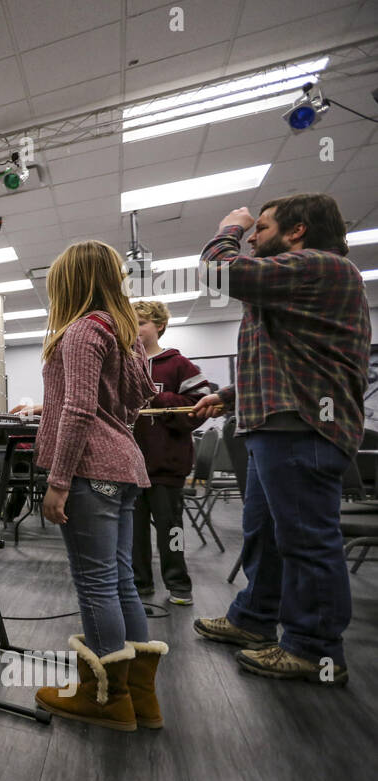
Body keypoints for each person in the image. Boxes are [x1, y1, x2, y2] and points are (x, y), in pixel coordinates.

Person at [191, 194, 370, 686]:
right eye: (250, 228)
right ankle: (253, 618)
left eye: (261, 227)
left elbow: (219, 271)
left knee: (307, 542)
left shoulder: (320, 266)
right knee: (266, 536)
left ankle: (314, 649)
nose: (252, 235)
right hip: (277, 422)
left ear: (297, 231)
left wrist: (227, 226)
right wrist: (230, 394)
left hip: (302, 426)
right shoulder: (300, 280)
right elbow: (288, 355)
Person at [31, 240, 167, 732]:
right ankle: (140, 700)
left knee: (94, 585)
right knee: (120, 580)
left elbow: (81, 410)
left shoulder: (82, 330)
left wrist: (58, 481)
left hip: (91, 472)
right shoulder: (123, 334)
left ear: (68, 284)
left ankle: (106, 699)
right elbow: (122, 409)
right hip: (125, 468)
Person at [131, 299, 213, 606]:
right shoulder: (125, 363)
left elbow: (201, 406)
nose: (135, 329)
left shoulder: (179, 364)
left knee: (170, 529)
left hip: (167, 465)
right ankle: (140, 583)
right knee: (134, 533)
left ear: (159, 325)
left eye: (141, 323)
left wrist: (160, 399)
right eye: (131, 323)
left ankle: (179, 584)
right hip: (130, 467)